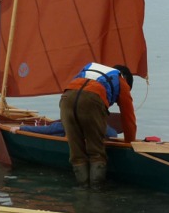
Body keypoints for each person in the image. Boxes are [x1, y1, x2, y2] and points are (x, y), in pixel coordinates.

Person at [59, 62, 138, 190]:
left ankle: (82, 188)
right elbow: (128, 116)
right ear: (126, 78)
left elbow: (75, 88)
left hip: (66, 99)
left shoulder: (90, 68)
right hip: (92, 99)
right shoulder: (121, 80)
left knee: (76, 152)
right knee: (96, 151)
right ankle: (96, 189)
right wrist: (129, 143)